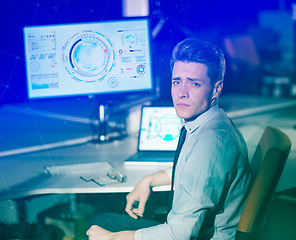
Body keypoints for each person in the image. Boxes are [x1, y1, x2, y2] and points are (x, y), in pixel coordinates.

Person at [86, 38, 253, 240]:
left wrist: (112, 238)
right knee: (104, 220)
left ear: (217, 89)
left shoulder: (210, 143)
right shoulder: (211, 122)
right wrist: (149, 180)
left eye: (194, 83)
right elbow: (194, 172)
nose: (181, 93)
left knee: (98, 223)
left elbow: (178, 234)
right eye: (177, 81)